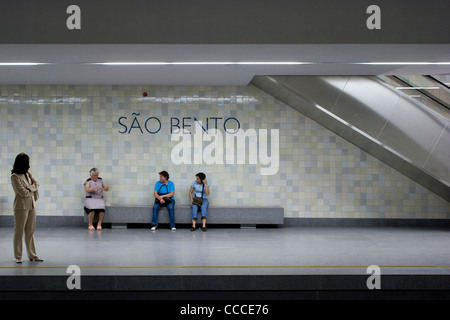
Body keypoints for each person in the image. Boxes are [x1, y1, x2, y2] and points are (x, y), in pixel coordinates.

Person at [10, 153, 43, 263]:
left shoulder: (27, 174)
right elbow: (22, 193)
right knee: (19, 231)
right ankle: (18, 256)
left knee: (30, 231)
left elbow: (37, 184)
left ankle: (32, 254)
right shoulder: (14, 176)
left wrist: (31, 188)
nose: (29, 165)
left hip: (31, 205)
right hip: (21, 207)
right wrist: (32, 188)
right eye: (27, 162)